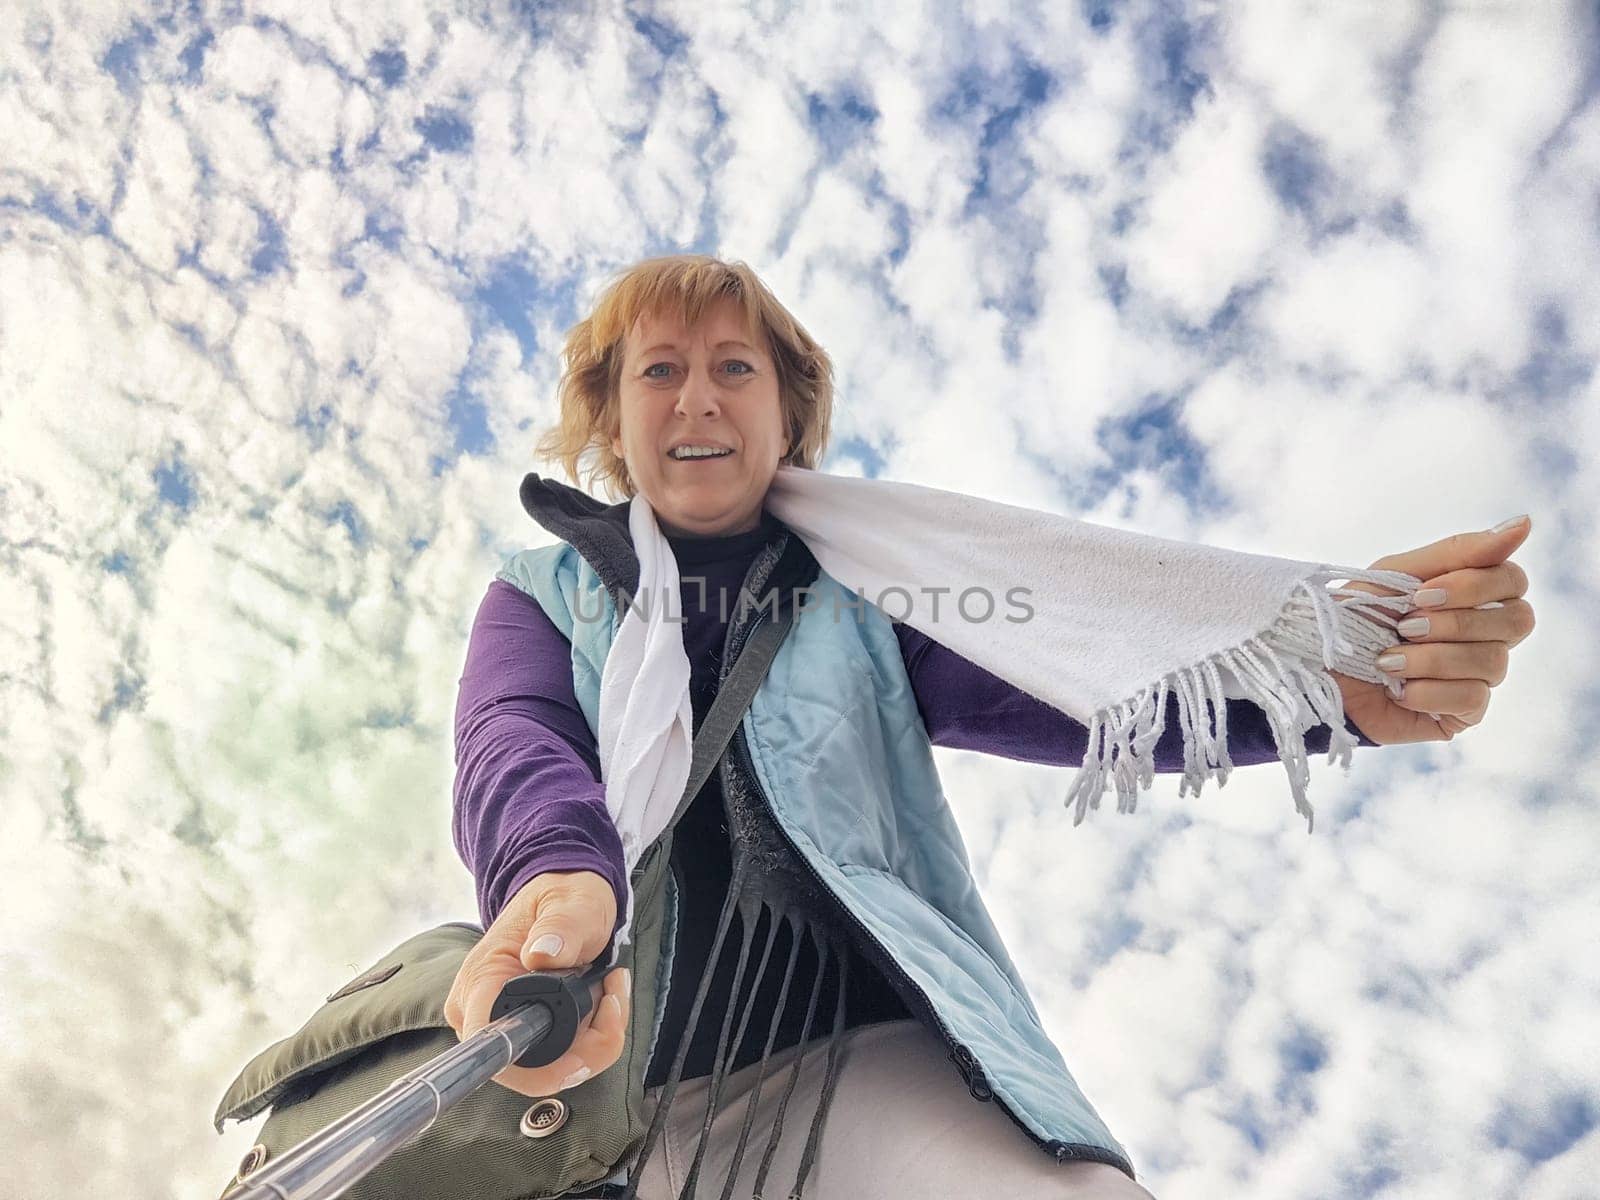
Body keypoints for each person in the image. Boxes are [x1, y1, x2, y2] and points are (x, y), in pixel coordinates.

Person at [444, 254, 1379, 1200]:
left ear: (785, 411)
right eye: (659, 370)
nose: (697, 400)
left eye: (735, 368)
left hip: (870, 1061)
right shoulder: (539, 593)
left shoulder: (877, 592)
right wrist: (554, 875)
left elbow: (1079, 675)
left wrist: (1347, 681)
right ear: (612, 413)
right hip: (597, 1106)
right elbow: (513, 739)